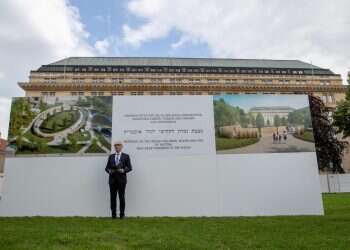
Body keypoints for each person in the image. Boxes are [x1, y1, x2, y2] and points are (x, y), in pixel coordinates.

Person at [105, 141, 132, 219]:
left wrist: (123, 170)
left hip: (121, 180)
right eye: (116, 146)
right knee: (113, 198)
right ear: (114, 147)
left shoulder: (126, 156)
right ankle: (113, 215)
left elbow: (130, 167)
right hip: (112, 180)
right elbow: (106, 168)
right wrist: (109, 171)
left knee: (121, 197)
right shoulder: (111, 156)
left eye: (118, 145)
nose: (117, 147)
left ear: (121, 146)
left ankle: (122, 215)